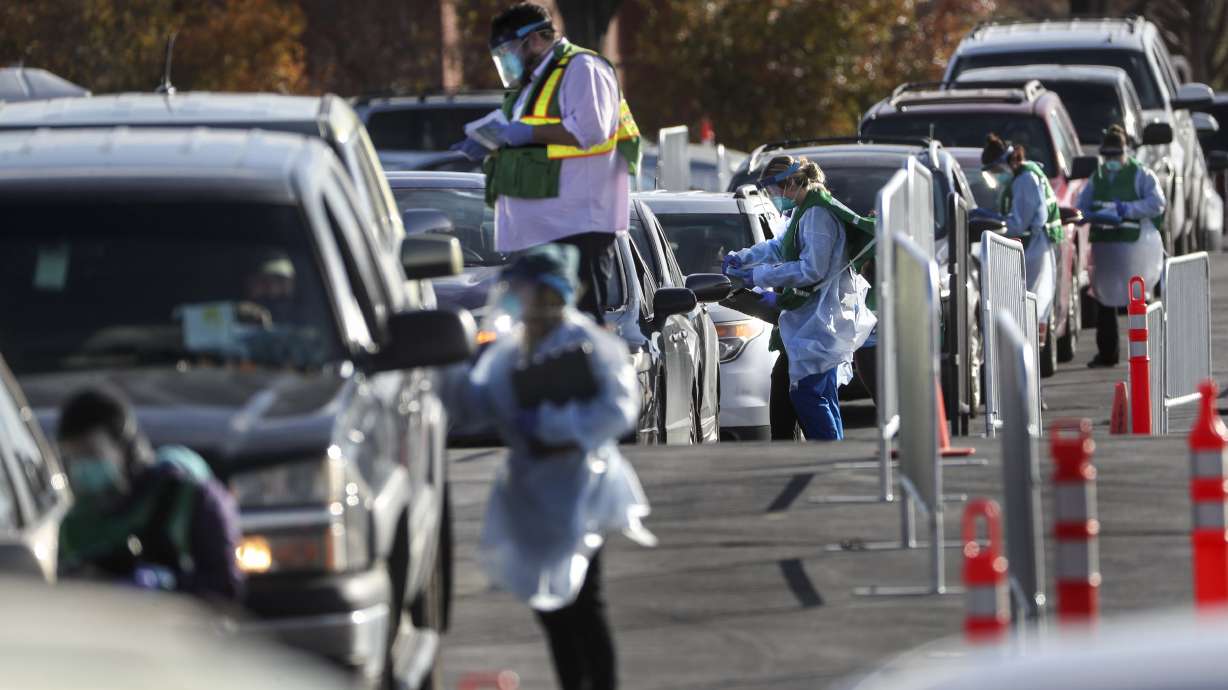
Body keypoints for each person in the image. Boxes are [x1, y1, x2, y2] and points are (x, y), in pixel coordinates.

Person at [447, 244, 655, 690]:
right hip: (531, 493)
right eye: (524, 293)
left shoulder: (588, 344)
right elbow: (477, 406)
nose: (531, 304)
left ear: (562, 292)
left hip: (581, 485)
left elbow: (619, 409)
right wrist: (449, 371)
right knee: (551, 607)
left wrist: (554, 426)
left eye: (540, 294)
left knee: (583, 601)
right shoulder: (510, 350)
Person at [450, 2, 643, 324]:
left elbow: (592, 129)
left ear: (536, 39)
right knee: (542, 330)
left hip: (580, 227)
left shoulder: (583, 68)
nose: (507, 61)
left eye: (509, 51)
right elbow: (517, 126)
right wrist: (487, 139)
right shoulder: (536, 82)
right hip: (545, 230)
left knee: (577, 324)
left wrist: (522, 132)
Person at [724, 156, 876, 441]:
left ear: (791, 182)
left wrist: (758, 277)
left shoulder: (817, 214)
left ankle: (829, 460)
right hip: (815, 319)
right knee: (820, 394)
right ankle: (834, 459)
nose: (774, 199)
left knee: (809, 396)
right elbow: (780, 247)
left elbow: (812, 269)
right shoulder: (805, 210)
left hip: (819, 320)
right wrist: (743, 259)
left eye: (774, 191)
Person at [55, 386, 243, 602]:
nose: (82, 468)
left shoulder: (190, 497)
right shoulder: (74, 521)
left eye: (90, 453)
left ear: (124, 447)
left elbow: (225, 586)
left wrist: (166, 586)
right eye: (72, 458)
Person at [1076, 124, 1166, 367]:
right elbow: (1081, 205)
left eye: (1116, 155)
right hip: (1105, 248)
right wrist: (1088, 214)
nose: (1112, 160)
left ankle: (1147, 353)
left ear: (1126, 152)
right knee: (1105, 300)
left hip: (1133, 249)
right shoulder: (1099, 176)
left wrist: (1129, 209)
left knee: (1136, 302)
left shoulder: (1141, 175)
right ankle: (1108, 354)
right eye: (1108, 156)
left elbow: (1157, 203)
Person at [981, 133, 1063, 327]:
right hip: (1034, 247)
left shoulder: (1025, 180)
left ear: (1006, 163)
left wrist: (991, 223)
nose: (996, 175)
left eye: (996, 170)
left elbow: (1018, 224)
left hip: (1035, 248)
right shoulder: (1022, 176)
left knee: (1028, 307)